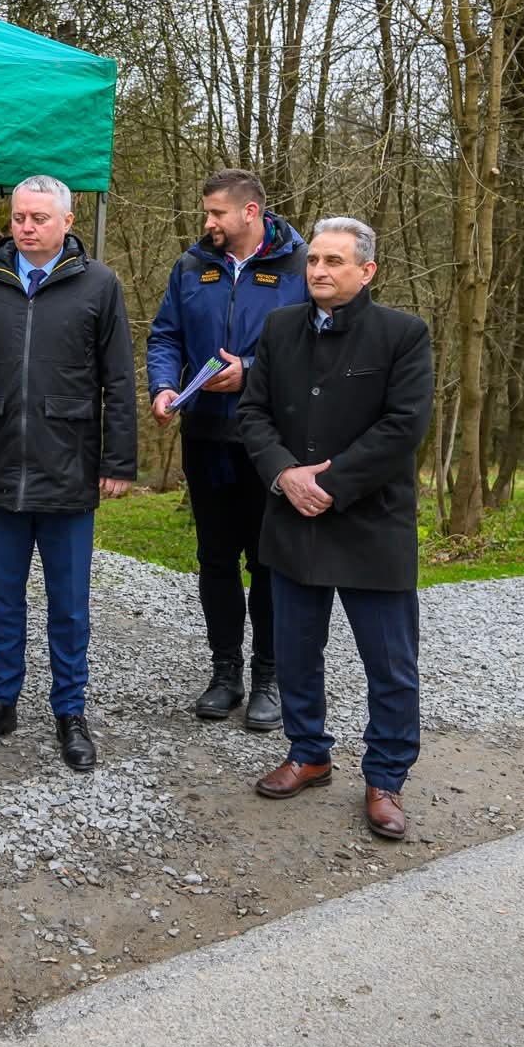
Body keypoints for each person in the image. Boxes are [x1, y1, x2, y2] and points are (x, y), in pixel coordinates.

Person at [235, 217, 433, 840]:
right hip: (292, 519)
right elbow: (253, 412)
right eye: (314, 259)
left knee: (390, 664)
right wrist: (284, 474)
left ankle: (386, 777)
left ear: (366, 271)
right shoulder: (279, 327)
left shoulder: (402, 334)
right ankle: (308, 753)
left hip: (372, 523)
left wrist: (331, 483)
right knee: (295, 652)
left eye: (334, 261)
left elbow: (403, 426)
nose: (318, 270)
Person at [0, 174, 138, 772]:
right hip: (1, 463)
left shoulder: (99, 285)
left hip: (68, 466)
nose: (26, 227)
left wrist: (118, 460)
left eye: (39, 218)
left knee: (69, 605)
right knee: (3, 599)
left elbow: (119, 379)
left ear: (67, 222)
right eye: (19, 217)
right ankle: (1, 701)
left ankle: (69, 711)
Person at [146, 168, 309, 730]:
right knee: (215, 560)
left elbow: (316, 347)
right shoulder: (192, 265)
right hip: (206, 436)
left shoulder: (300, 266)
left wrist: (252, 373)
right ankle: (225, 673)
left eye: (217, 212)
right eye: (206, 211)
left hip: (273, 442)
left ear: (250, 212)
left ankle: (268, 677)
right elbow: (165, 335)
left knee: (267, 561)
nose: (208, 221)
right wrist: (163, 385)